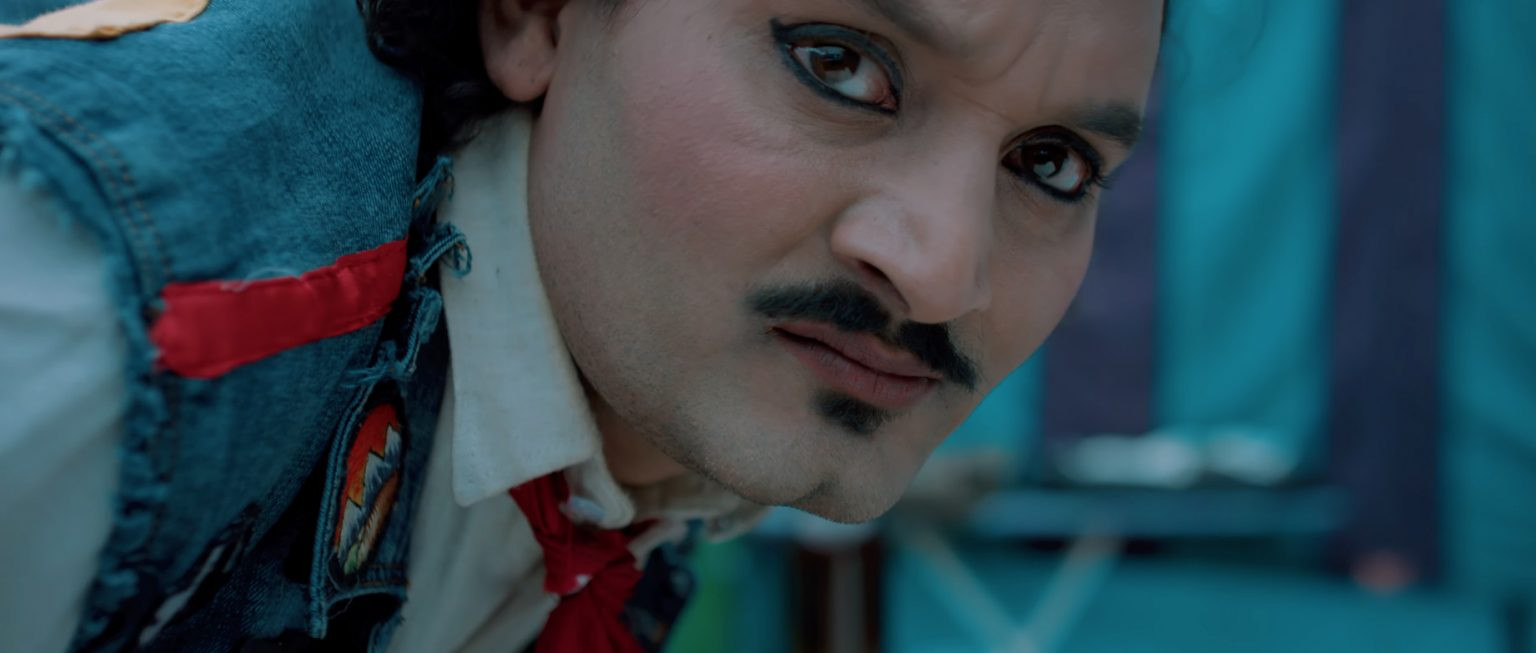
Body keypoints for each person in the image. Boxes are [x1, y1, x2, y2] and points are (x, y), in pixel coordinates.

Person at [0, 0, 1162, 651]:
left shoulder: (644, 397)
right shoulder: (87, 315)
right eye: (839, 65)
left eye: (1051, 164)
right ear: (537, 13)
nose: (944, 272)